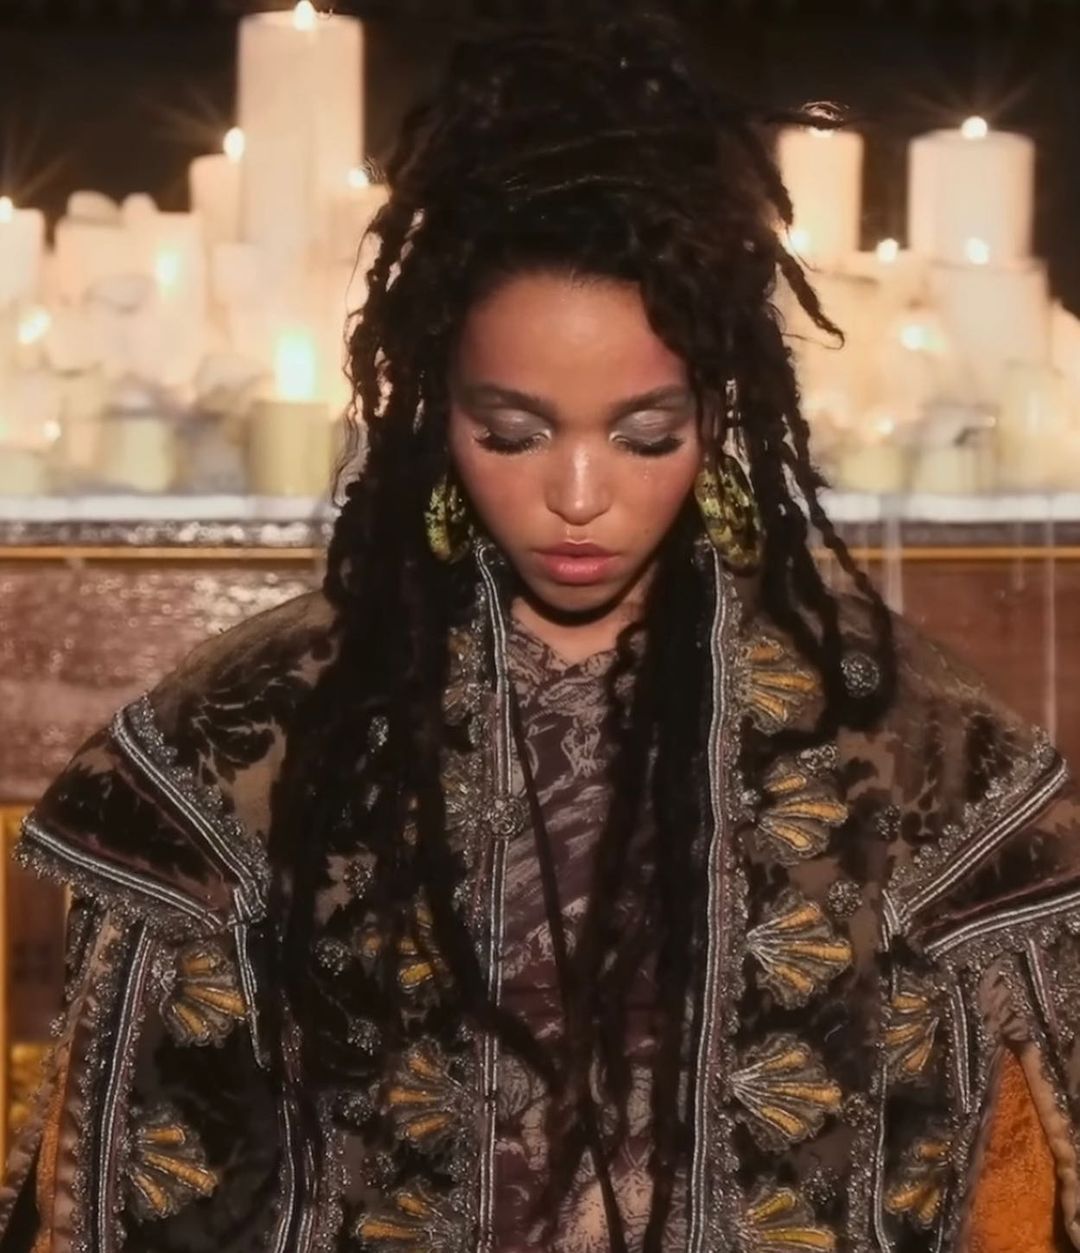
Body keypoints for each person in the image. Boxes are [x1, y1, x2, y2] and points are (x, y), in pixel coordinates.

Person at [1, 12, 1078, 1252]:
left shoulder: (906, 747)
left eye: (645, 433)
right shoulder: (255, 735)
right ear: (434, 411)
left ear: (719, 411)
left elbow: (1002, 1192)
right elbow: (131, 1188)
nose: (577, 494)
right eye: (511, 432)